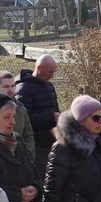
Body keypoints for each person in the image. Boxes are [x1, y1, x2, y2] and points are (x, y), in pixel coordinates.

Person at [15, 54, 60, 187]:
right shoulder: (23, 89)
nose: (52, 75)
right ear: (39, 68)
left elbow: (54, 110)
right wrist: (51, 117)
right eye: (50, 72)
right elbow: (25, 118)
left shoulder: (49, 86)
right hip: (36, 144)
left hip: (50, 140)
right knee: (41, 179)